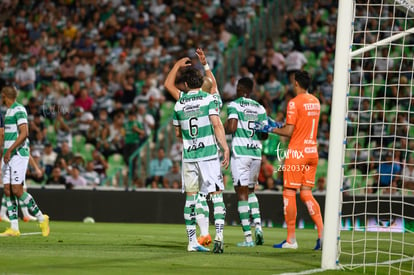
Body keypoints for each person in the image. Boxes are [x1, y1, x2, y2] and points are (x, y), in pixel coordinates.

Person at [256, 71, 323, 250]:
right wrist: (279, 125)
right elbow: (300, 125)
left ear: (295, 83)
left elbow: (289, 132)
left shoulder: (294, 102)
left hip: (297, 153)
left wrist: (270, 129)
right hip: (312, 151)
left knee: (289, 192)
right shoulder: (315, 101)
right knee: (306, 193)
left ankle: (291, 240)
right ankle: (322, 235)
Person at [169, 61, 229, 253]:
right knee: (217, 195)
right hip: (209, 155)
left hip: (189, 156)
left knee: (191, 198)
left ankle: (192, 242)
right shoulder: (209, 99)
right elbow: (217, 124)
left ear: (185, 85)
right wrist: (225, 147)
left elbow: (178, 134)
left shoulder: (179, 104)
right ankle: (218, 235)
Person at [0, 86, 49, 236]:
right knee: (7, 190)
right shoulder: (8, 111)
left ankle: (42, 218)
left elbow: (24, 133)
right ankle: (14, 228)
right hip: (8, 156)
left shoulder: (19, 109)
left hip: (17, 155)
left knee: (17, 190)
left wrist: (9, 150)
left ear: (5, 96)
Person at [225, 77, 268, 247]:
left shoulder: (234, 105)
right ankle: (258, 227)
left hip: (241, 153)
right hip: (256, 154)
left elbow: (233, 127)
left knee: (241, 194)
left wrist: (222, 127)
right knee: (251, 192)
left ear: (241, 88)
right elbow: (265, 134)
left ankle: (248, 239)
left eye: (237, 86)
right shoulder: (260, 107)